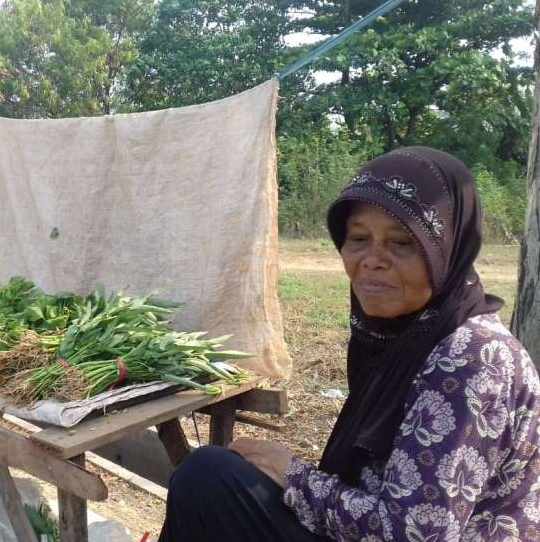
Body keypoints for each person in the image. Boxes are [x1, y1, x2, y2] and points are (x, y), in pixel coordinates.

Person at [159, 147, 540, 541]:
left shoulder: (471, 359)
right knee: (215, 478)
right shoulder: (408, 334)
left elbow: (415, 535)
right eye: (359, 238)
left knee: (208, 479)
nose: (373, 259)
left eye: (403, 243)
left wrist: (292, 474)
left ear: (447, 250)